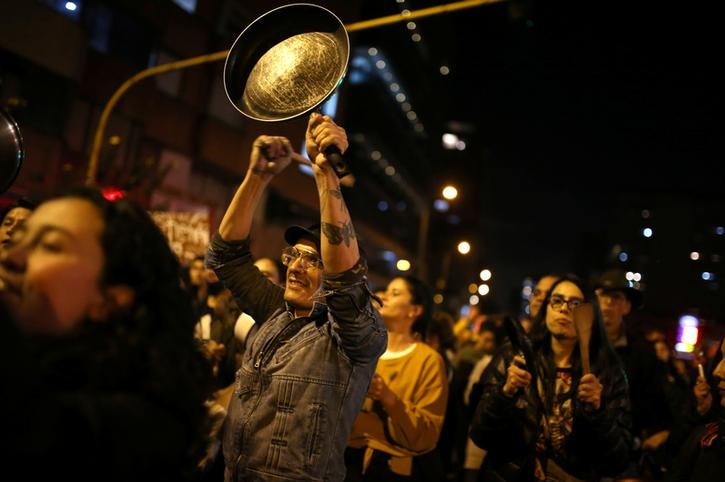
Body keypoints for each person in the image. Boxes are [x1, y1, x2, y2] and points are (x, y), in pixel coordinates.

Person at [205, 113, 387, 481]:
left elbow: (345, 285)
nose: (295, 267)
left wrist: (325, 174)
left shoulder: (353, 337)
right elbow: (226, 256)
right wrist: (258, 176)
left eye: (313, 260)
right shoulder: (276, 311)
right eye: (294, 256)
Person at [0, 186, 213, 482]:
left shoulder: (138, 426)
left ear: (109, 299)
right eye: (20, 238)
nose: (12, 256)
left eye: (50, 245)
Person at [469, 274, 632, 481]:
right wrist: (506, 392)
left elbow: (618, 461)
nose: (564, 309)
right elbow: (480, 435)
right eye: (557, 301)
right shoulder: (515, 357)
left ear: (590, 315)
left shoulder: (607, 372)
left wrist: (597, 411)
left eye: (575, 303)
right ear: (546, 308)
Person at [344, 275, 449, 481]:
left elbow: (427, 434)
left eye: (395, 293)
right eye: (386, 291)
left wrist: (388, 398)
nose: (384, 296)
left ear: (415, 310)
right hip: (347, 459)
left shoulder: (428, 361)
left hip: (391, 468)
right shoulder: (363, 348)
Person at [594, 268, 667, 474]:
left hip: (623, 454)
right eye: (601, 296)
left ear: (626, 306)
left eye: (615, 298)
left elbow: (656, 401)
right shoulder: (577, 344)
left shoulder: (642, 354)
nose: (607, 304)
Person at [665, 335, 725, 481]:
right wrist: (700, 412)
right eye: (722, 357)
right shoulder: (712, 428)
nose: (718, 371)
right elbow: (672, 459)